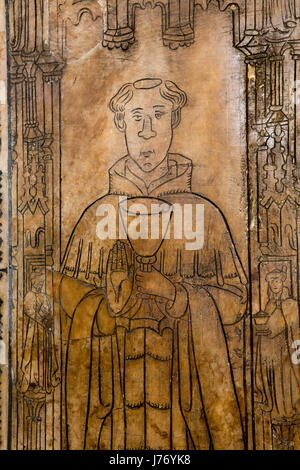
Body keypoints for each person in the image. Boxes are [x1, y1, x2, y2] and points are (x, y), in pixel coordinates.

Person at [58, 78, 248, 450]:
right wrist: (106, 306)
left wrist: (176, 295)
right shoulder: (99, 213)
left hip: (184, 402)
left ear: (174, 121)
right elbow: (66, 297)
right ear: (120, 124)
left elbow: (237, 301)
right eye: (137, 117)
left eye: (158, 116)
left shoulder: (204, 215)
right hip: (114, 406)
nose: (147, 132)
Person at [255, 268, 300, 449]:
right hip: (272, 360)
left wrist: (267, 329)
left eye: (277, 281)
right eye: (271, 281)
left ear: (283, 282)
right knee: (276, 400)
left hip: (286, 361)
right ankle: (281, 440)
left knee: (287, 400)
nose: (274, 285)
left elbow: (282, 325)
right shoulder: (269, 305)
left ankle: (289, 439)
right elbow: (267, 328)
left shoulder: (290, 303)